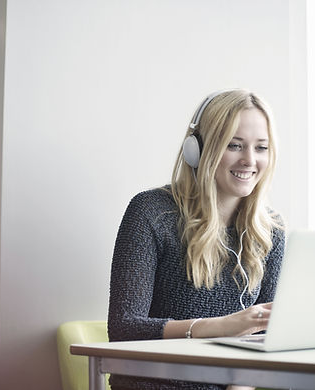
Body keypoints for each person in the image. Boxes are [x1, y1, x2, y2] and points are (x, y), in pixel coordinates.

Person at [107, 89, 285, 390]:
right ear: (197, 149)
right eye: (234, 145)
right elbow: (124, 328)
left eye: (261, 148)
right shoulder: (151, 212)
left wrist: (240, 385)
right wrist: (221, 327)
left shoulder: (270, 232)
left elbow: (268, 337)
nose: (249, 160)